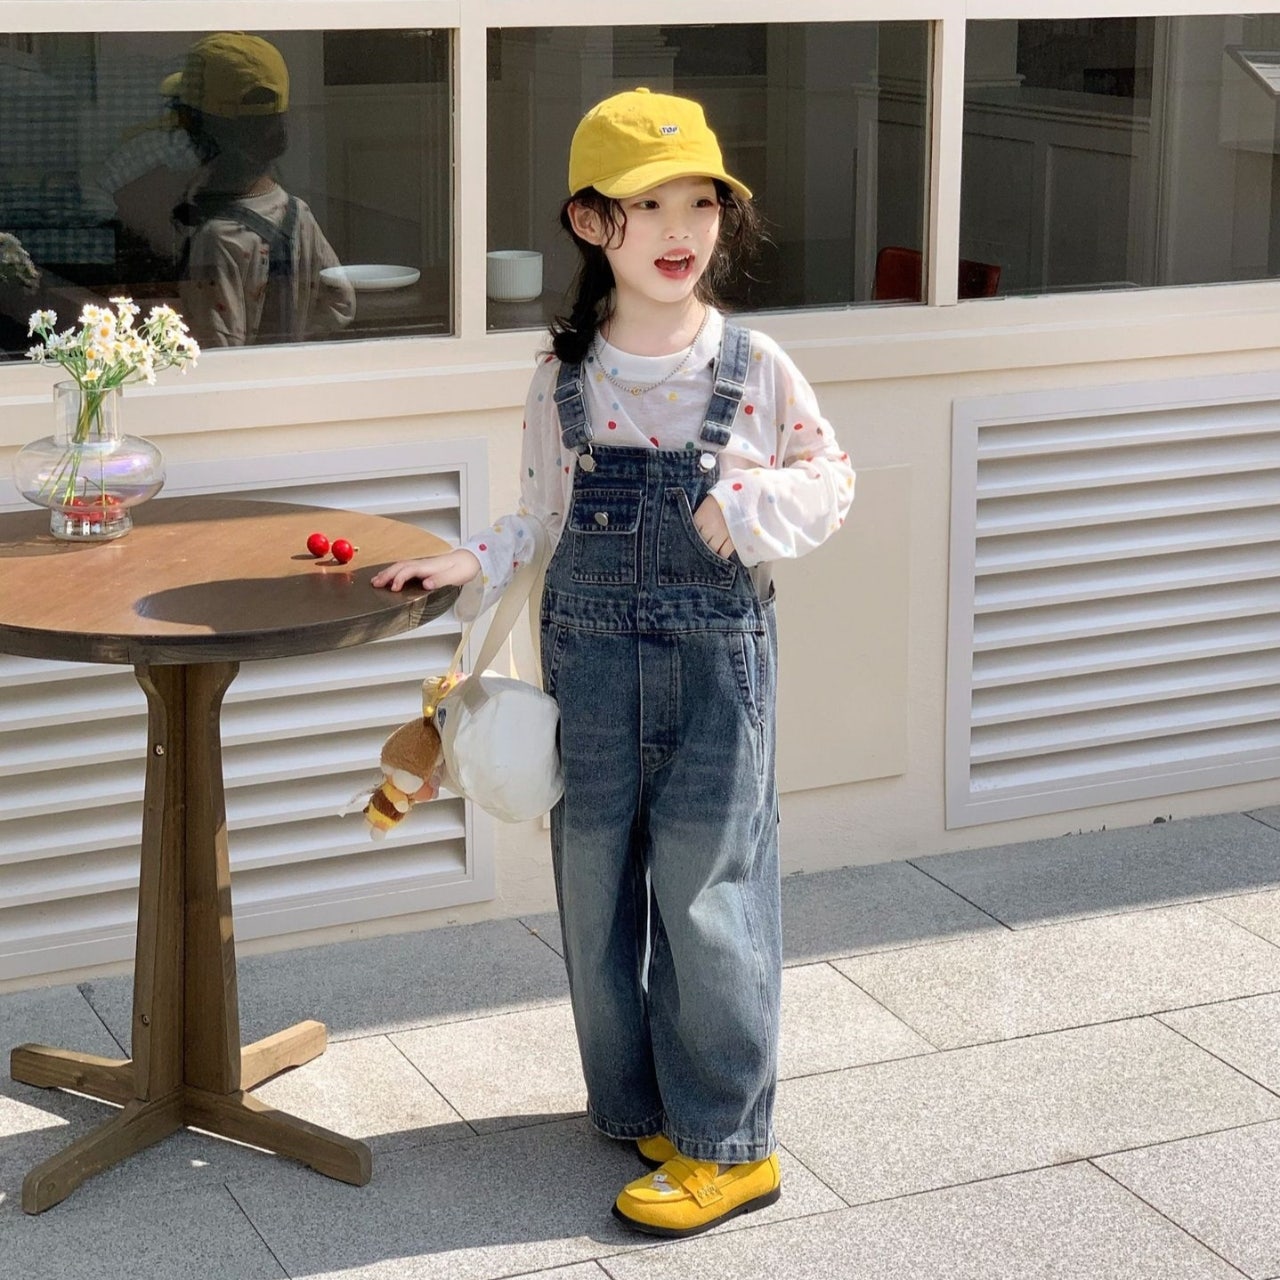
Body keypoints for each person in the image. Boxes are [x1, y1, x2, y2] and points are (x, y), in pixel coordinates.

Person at [373, 88, 855, 1237]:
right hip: (587, 661)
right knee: (594, 894)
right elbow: (538, 518)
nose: (681, 229)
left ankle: (729, 1142)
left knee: (706, 892)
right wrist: (465, 559)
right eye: (649, 205)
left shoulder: (754, 364)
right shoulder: (564, 376)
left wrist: (746, 504)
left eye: (702, 202)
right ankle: (641, 1103)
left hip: (714, 671)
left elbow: (829, 476)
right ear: (593, 224)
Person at [169, 32, 355, 346]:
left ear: (196, 130)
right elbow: (341, 303)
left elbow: (217, 347)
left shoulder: (217, 239)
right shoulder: (299, 212)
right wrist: (296, 340)